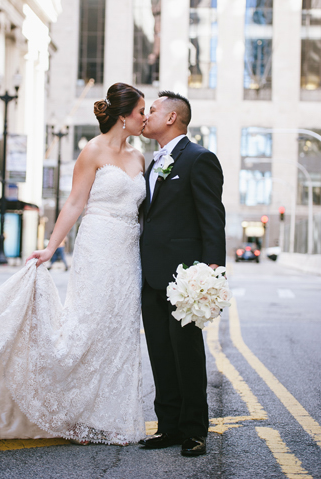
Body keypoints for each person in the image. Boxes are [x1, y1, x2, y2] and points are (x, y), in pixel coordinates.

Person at [0, 83, 147, 444]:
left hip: (127, 254)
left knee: (118, 333)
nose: (145, 117)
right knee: (86, 330)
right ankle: (68, 412)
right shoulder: (91, 151)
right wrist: (50, 248)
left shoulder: (139, 157)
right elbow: (74, 204)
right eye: (140, 112)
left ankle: (104, 417)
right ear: (123, 117)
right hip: (97, 248)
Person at [138, 92, 225, 457]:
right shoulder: (152, 161)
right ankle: (168, 426)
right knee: (159, 352)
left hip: (185, 279)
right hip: (151, 275)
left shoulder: (199, 158)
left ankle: (194, 430)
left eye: (152, 110)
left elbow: (211, 216)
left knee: (186, 354)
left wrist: (210, 271)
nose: (146, 116)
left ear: (172, 117)